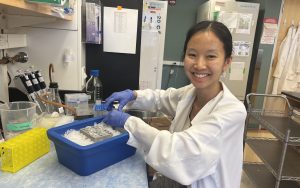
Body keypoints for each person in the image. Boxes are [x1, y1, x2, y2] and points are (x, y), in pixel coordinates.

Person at [103, 20, 247, 188]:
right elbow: (162, 98)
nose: (199, 65)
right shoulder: (190, 93)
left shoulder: (232, 112)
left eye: (211, 56)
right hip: (175, 179)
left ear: (227, 62)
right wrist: (133, 95)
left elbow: (179, 150)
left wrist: (128, 122)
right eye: (192, 54)